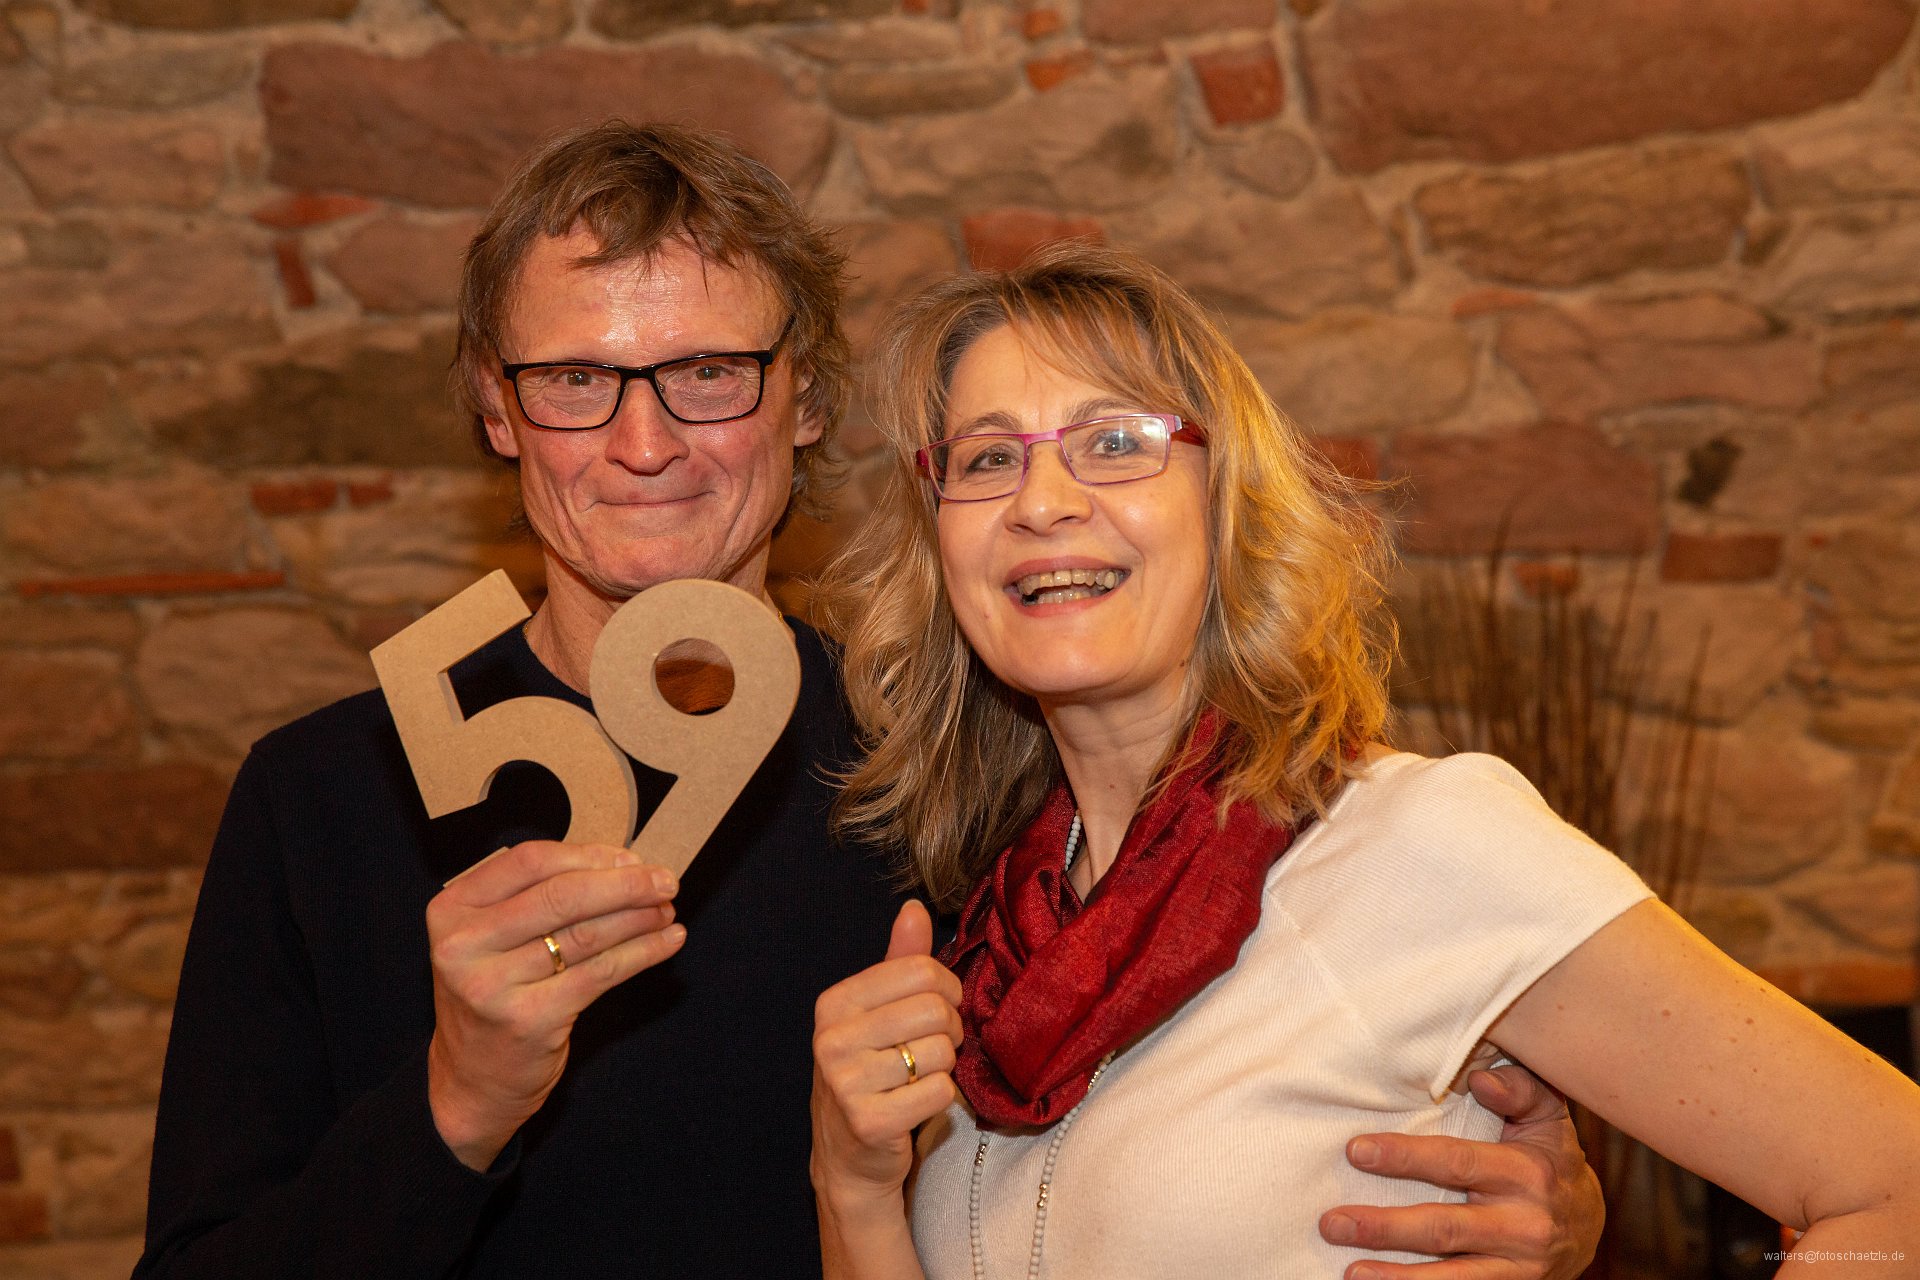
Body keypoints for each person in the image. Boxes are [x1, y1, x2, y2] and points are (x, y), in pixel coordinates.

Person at [139, 121, 1602, 1279]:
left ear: (810, 400)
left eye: (710, 372)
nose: (644, 442)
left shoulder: (970, 765)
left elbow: (1231, 1114)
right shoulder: (323, 799)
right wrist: (454, 1106)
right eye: (576, 378)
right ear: (494, 406)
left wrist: (1555, 1204)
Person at [807, 243, 1920, 1278]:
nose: (1043, 501)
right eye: (989, 457)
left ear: (1226, 506)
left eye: (1116, 442)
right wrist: (852, 1188)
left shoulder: (1419, 841)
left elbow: (1897, 1187)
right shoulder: (993, 937)